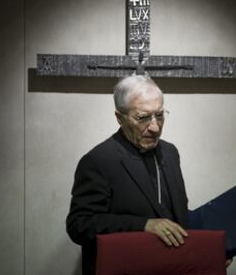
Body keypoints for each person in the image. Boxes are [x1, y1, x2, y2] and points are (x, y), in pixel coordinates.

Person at [66, 75, 189, 275]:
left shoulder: (170, 152)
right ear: (119, 117)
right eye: (143, 118)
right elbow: (80, 226)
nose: (155, 127)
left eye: (159, 115)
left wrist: (209, 248)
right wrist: (144, 225)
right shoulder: (98, 161)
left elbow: (175, 216)